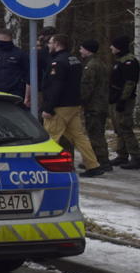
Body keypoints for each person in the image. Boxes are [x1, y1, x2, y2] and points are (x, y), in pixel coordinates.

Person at [41, 34, 103, 177]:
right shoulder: (74, 60)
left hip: (60, 106)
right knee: (78, 137)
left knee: (50, 137)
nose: (48, 45)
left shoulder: (58, 62)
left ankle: (47, 169)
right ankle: (93, 165)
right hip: (73, 105)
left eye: (50, 42)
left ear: (57, 44)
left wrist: (48, 108)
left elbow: (56, 87)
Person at [79, 40, 111, 172]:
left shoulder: (91, 66)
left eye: (82, 48)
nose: (80, 51)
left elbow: (87, 87)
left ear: (88, 50)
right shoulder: (100, 63)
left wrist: (81, 101)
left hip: (94, 105)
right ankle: (100, 159)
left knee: (95, 133)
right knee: (98, 132)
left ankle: (101, 160)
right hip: (101, 103)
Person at [108, 36, 140, 168]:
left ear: (119, 47)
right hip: (116, 98)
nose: (111, 47)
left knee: (125, 127)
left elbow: (130, 83)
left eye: (113, 45)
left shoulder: (129, 61)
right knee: (119, 128)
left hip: (125, 99)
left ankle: (136, 156)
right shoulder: (119, 61)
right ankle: (122, 155)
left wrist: (123, 99)